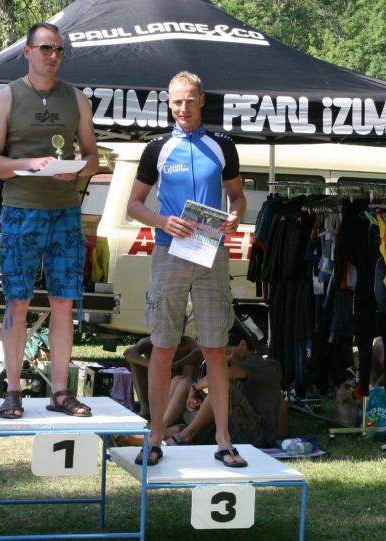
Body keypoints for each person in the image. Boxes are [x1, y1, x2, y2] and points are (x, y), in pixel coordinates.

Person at [126, 70, 247, 466]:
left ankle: (224, 441)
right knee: (163, 346)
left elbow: (238, 198)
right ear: (168, 103)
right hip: (170, 252)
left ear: (202, 101)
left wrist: (235, 217)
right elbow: (134, 204)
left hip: (211, 253)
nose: (183, 108)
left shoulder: (222, 145)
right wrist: (162, 221)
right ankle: (155, 437)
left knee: (214, 348)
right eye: (176, 102)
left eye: (189, 101)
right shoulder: (157, 148)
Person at [0, 23, 99, 419]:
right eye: (46, 48)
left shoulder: (77, 98)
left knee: (64, 302)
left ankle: (61, 392)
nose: (53, 56)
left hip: (65, 212)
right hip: (20, 211)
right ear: (28, 52)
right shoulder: (6, 97)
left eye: (59, 50)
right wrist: (29, 163)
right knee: (17, 301)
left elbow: (93, 158)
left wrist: (75, 170)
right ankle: (13, 390)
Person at [163, 340, 284, 457]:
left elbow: (217, 377)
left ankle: (185, 435)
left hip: (256, 436)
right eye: (224, 355)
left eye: (228, 352)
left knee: (220, 384)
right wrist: (201, 402)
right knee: (182, 382)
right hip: (232, 428)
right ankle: (160, 429)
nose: (227, 359)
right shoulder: (238, 366)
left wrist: (194, 389)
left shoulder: (257, 362)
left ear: (242, 345)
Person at [123, 335, 202, 421]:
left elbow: (200, 350)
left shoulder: (187, 342)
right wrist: (153, 366)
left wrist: (178, 364)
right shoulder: (150, 341)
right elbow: (128, 353)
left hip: (178, 386)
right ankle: (145, 408)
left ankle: (178, 408)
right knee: (135, 364)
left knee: (191, 365)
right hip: (156, 384)